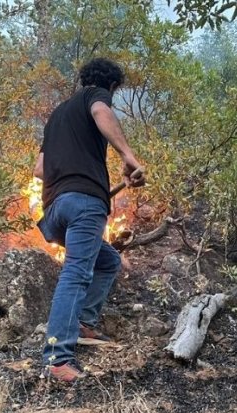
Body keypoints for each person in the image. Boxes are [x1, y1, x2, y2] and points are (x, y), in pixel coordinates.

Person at [34, 58, 145, 383]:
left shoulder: (57, 116)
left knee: (108, 259)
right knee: (76, 274)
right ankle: (57, 359)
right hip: (84, 205)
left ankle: (83, 322)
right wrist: (127, 155)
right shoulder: (96, 98)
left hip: (55, 211)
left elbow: (39, 170)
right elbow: (100, 113)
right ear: (111, 86)